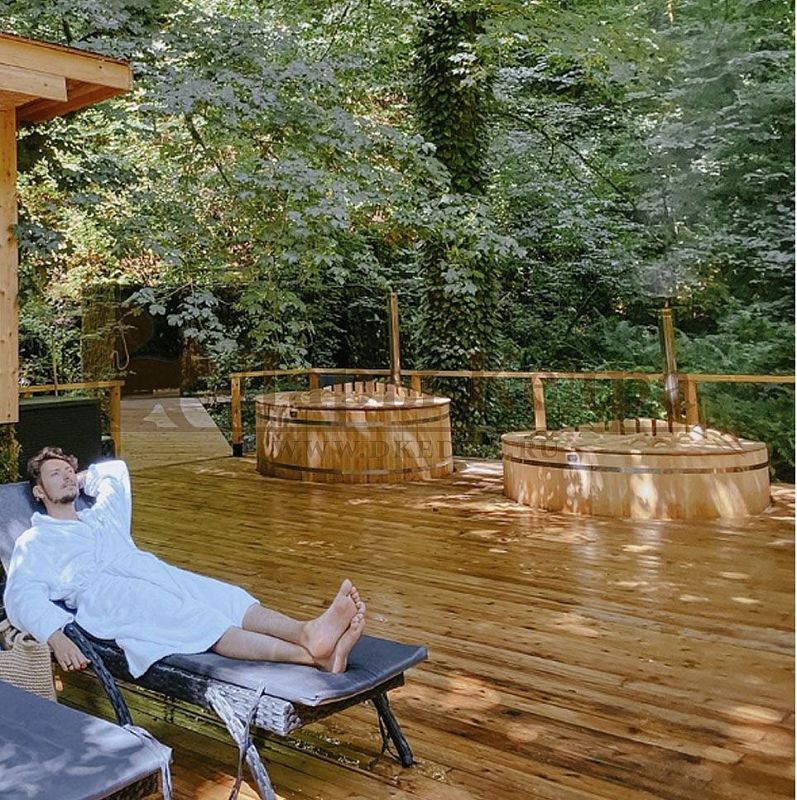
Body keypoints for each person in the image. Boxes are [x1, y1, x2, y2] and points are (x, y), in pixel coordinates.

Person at [4, 447, 366, 678]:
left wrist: (80, 478)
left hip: (149, 571)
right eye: (55, 475)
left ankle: (307, 633)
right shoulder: (36, 541)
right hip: (110, 598)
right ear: (38, 491)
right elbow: (20, 597)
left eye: (68, 471)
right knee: (200, 620)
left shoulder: (101, 517)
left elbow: (115, 473)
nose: (66, 476)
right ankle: (311, 658)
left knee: (226, 597)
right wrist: (56, 637)